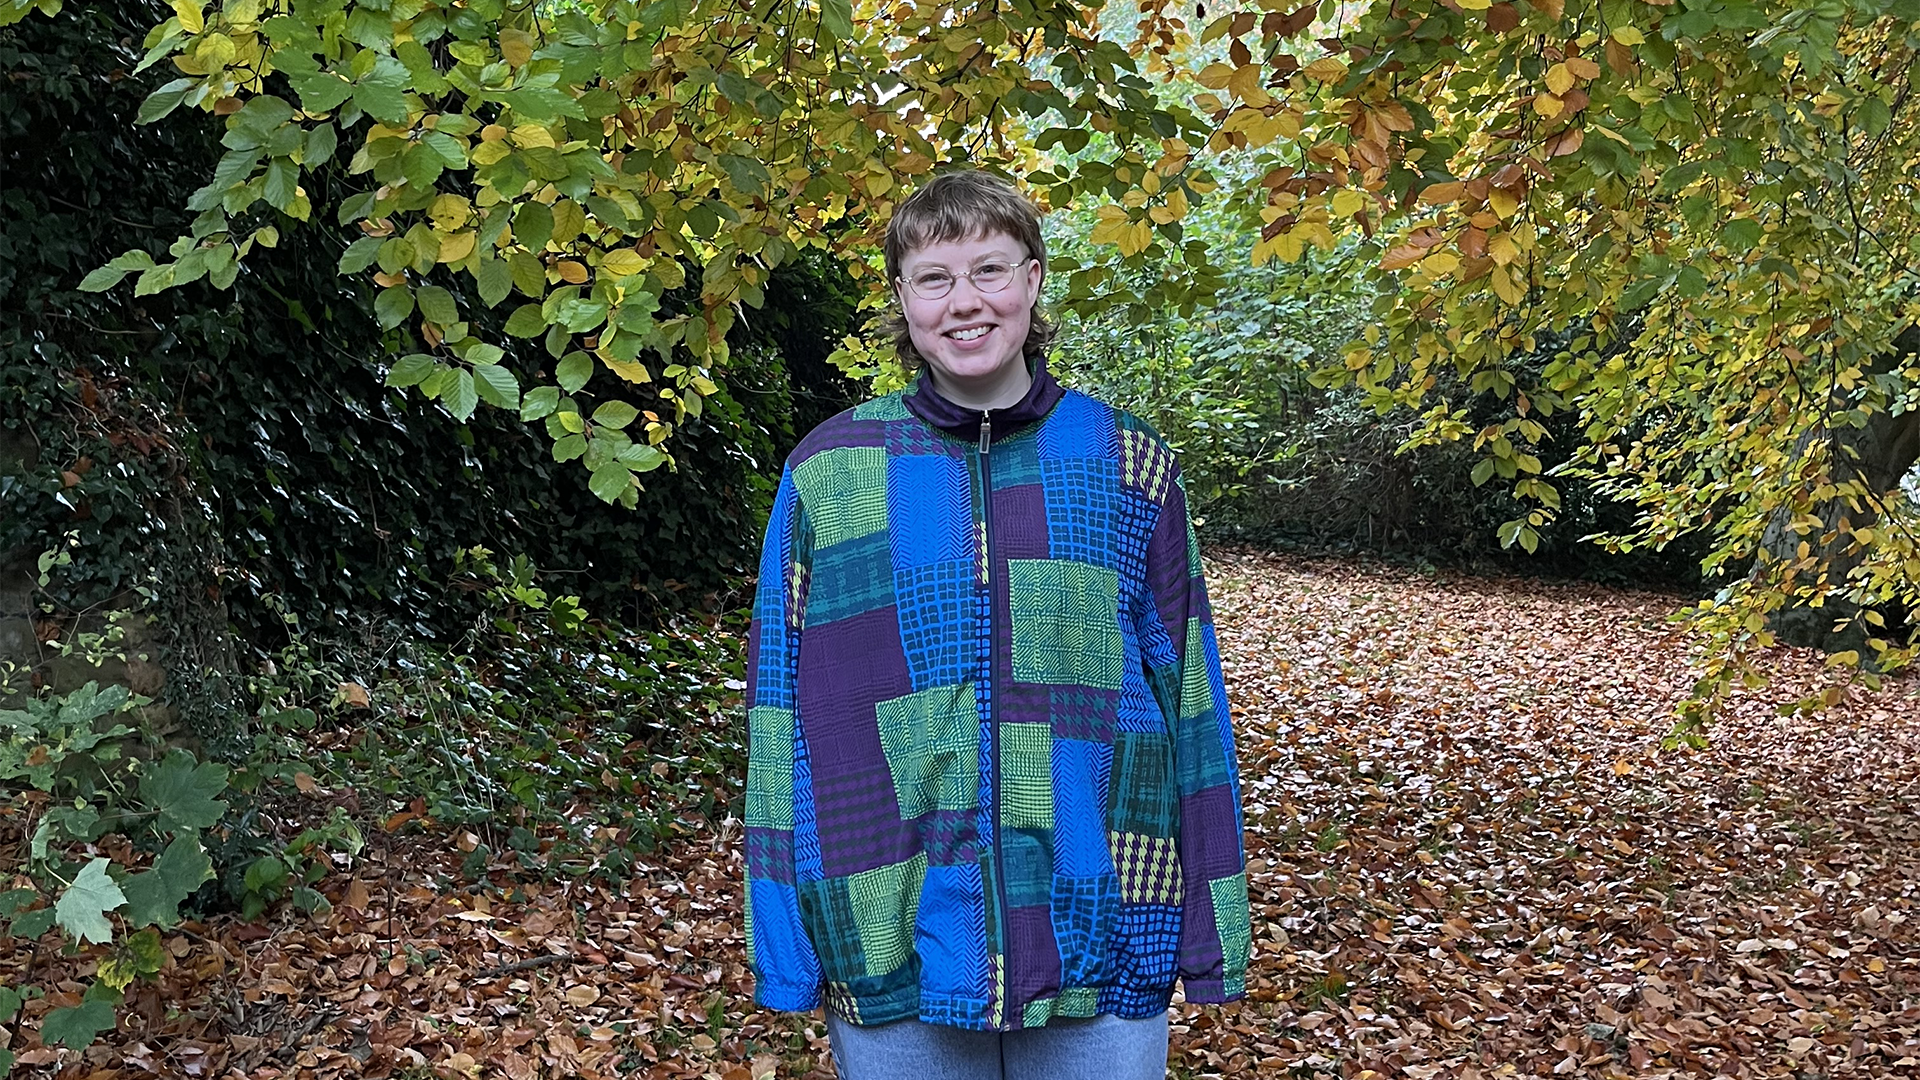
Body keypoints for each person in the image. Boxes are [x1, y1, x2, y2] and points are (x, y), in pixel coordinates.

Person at [743, 168, 1248, 1080]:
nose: (965, 302)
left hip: (1103, 927)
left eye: (990, 269)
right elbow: (778, 717)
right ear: (902, 298)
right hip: (888, 931)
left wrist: (1212, 927)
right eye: (934, 277)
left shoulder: (1126, 462)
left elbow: (1191, 701)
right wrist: (784, 946)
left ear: (1033, 281)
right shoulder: (830, 472)